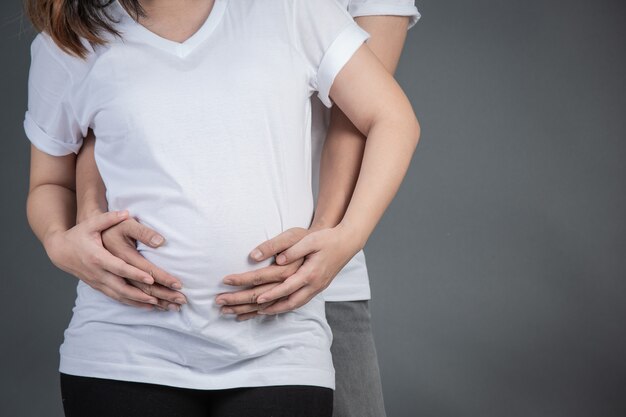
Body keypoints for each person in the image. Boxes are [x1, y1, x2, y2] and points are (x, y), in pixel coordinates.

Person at [23, 0, 420, 416]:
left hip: (278, 349)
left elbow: (389, 118)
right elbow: (50, 180)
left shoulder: (295, 10)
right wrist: (59, 242)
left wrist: (344, 235)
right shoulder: (69, 42)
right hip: (121, 346)